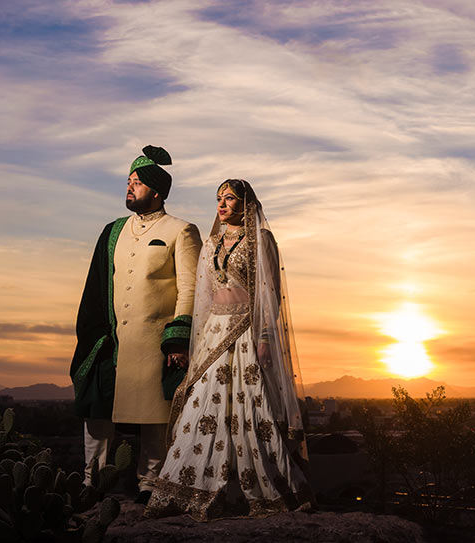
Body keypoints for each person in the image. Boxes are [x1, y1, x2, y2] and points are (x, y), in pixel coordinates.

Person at [145, 179, 312, 520]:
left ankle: (262, 488)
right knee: (200, 407)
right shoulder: (211, 244)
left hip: (247, 331)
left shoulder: (260, 240)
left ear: (245, 204)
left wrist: (265, 338)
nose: (221, 204)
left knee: (251, 407)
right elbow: (204, 298)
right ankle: (194, 488)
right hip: (214, 333)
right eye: (219, 198)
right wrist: (200, 340)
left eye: (230, 198)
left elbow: (269, 294)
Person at [70, 145, 201, 504]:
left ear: (157, 192)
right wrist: (94, 334)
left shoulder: (182, 231)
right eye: (128, 181)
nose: (129, 187)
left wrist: (178, 338)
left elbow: (190, 287)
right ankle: (91, 481)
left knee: (154, 417)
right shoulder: (112, 231)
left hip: (154, 341)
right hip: (110, 340)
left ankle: (150, 484)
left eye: (137, 183)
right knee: (97, 410)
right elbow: (97, 284)